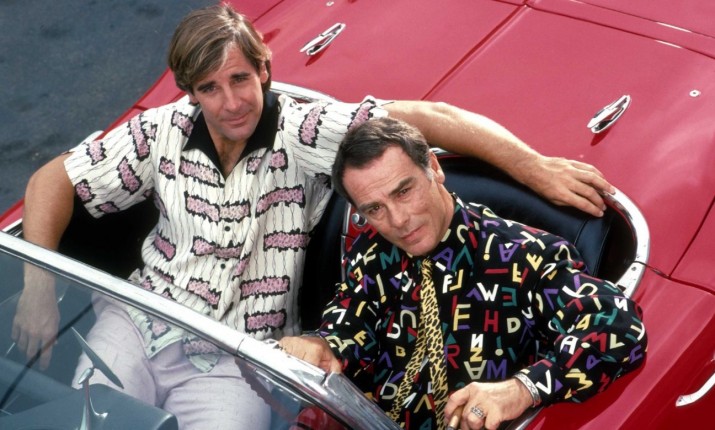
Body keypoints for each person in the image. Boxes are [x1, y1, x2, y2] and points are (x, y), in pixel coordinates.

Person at [11, 3, 615, 429]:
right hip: (138, 323)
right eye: (210, 88)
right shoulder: (158, 131)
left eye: (241, 79)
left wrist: (533, 166)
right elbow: (51, 180)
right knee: (84, 423)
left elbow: (424, 120)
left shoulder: (305, 131)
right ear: (189, 91)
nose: (231, 103)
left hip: (240, 359)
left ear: (264, 70)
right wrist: (37, 288)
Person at [279, 117, 647, 430]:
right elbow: (349, 327)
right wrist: (322, 347)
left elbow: (618, 326)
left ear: (434, 169)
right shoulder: (372, 249)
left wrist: (523, 389)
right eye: (375, 209)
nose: (398, 220)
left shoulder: (522, 256)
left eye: (404, 191)